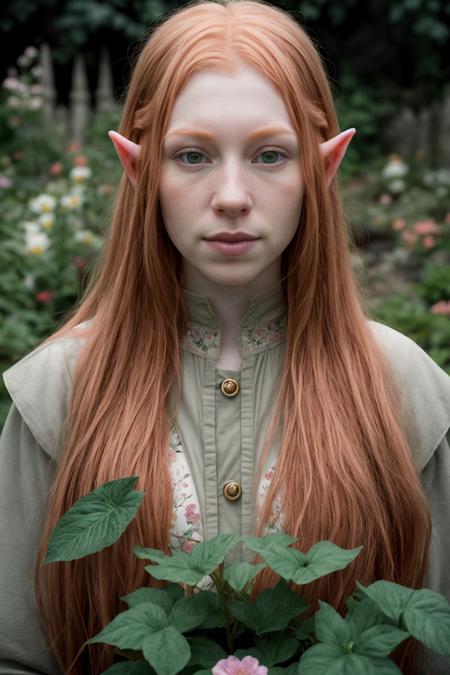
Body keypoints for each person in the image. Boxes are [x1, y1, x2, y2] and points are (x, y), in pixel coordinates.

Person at [1, 0, 449, 673]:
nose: (233, 194)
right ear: (138, 168)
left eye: (270, 154)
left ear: (323, 168)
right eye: (192, 155)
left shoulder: (405, 387)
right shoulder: (57, 390)